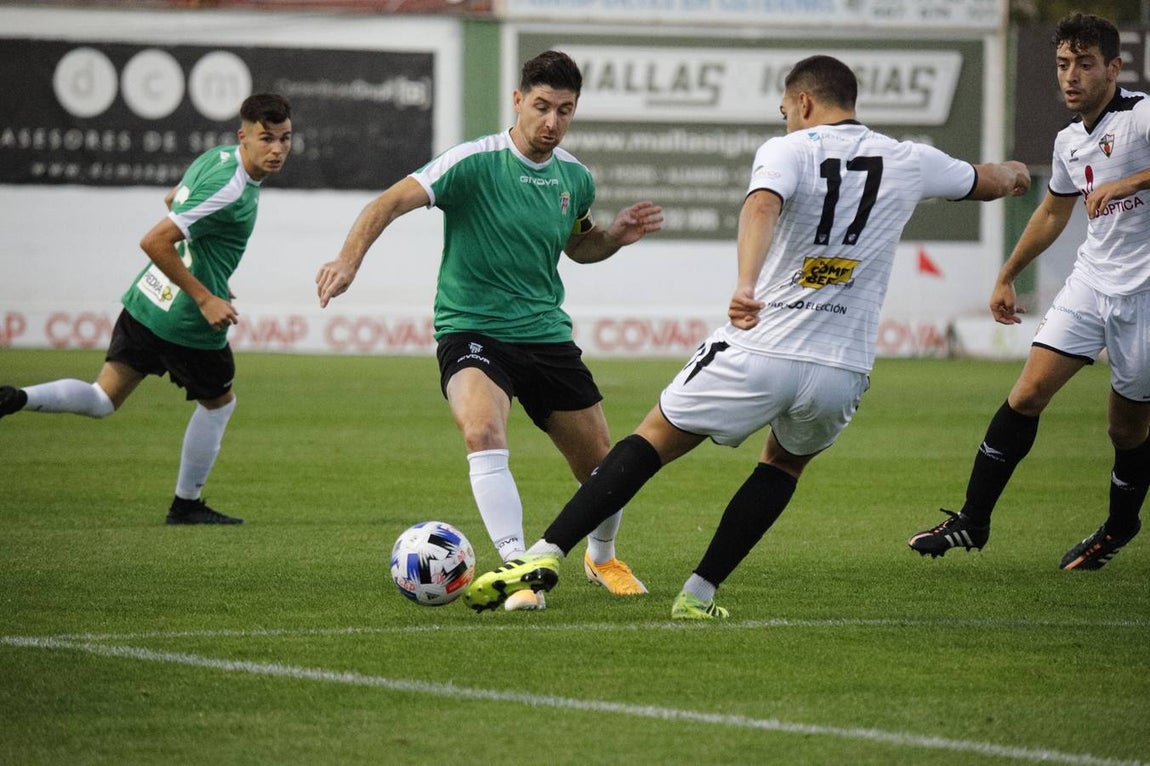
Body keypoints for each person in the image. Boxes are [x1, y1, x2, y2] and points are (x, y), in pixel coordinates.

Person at [463, 54, 1031, 618]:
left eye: (785, 110)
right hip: (843, 365)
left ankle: (542, 555)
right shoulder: (911, 159)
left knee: (652, 439)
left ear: (804, 103)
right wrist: (1018, 172)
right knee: (782, 466)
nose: (785, 119)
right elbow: (990, 180)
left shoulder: (789, 150)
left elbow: (762, 204)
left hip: (764, 341)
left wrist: (745, 283)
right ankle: (699, 593)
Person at [315, 51, 663, 611]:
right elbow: (389, 202)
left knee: (603, 466)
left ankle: (602, 557)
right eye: (543, 107)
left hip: (545, 335)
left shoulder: (574, 177)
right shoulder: (473, 162)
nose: (552, 122)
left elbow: (578, 246)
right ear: (519, 101)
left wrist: (613, 237)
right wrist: (349, 260)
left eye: (565, 111)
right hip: (472, 328)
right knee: (481, 430)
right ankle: (517, 569)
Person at [907, 13, 1150, 571]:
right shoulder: (1069, 138)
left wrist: (1128, 182)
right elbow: (1051, 211)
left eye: (1085, 65)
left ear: (1114, 68)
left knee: (1124, 427)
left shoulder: (1139, 117)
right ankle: (973, 520)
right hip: (1092, 282)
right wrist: (1006, 274)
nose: (1072, 76)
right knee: (1026, 395)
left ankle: (1119, 526)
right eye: (1064, 64)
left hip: (1144, 296)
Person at [0, 93, 294, 526]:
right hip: (186, 322)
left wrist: (212, 276)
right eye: (266, 138)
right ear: (244, 136)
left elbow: (175, 200)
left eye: (285, 139)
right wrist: (205, 296)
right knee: (219, 403)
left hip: (146, 301)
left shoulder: (217, 159)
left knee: (102, 398)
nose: (277, 149)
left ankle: (17, 397)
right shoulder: (232, 186)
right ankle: (186, 505)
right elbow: (154, 240)